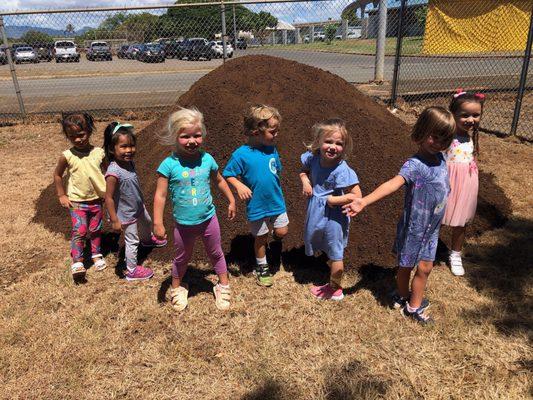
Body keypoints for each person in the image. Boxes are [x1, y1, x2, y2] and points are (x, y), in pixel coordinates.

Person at [343, 107, 456, 325]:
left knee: (425, 267)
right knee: (405, 266)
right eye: (434, 136)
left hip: (432, 229)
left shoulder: (441, 158)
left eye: (445, 138)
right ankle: (404, 296)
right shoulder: (414, 165)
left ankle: (413, 305)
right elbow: (393, 184)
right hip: (414, 228)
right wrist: (364, 200)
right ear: (421, 132)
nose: (439, 142)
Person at [153, 107, 236, 311]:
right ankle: (177, 287)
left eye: (197, 135)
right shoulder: (168, 165)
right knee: (182, 257)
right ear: (175, 137)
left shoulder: (207, 159)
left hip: (209, 219)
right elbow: (160, 195)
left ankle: (223, 285)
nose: (192, 141)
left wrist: (231, 199)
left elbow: (219, 180)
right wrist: (157, 222)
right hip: (183, 225)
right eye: (185, 136)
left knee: (216, 252)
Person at [223, 105, 288, 287]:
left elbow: (276, 172)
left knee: (282, 231)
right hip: (256, 204)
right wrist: (239, 185)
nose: (276, 135)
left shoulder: (272, 149)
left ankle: (275, 240)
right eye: (273, 131)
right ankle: (262, 266)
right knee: (261, 237)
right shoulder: (241, 154)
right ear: (255, 131)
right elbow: (228, 174)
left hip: (276, 200)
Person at [300, 118, 361, 300]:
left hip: (334, 216)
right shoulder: (313, 158)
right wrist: (305, 181)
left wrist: (334, 199)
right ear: (319, 142)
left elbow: (357, 195)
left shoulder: (342, 170)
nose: (333, 147)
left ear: (345, 146)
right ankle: (331, 283)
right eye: (328, 141)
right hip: (316, 211)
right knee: (320, 241)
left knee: (336, 253)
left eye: (339, 143)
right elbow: (303, 171)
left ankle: (335, 290)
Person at [103, 122, 167, 282]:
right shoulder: (113, 172)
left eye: (131, 146)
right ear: (112, 149)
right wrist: (114, 219)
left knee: (147, 222)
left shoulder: (129, 163)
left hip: (137, 206)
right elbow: (108, 197)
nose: (128, 150)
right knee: (132, 241)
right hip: (125, 214)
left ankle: (147, 241)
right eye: (123, 147)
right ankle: (131, 270)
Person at [53, 112, 107, 278]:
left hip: (97, 200)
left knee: (96, 229)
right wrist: (62, 195)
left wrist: (110, 192)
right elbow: (57, 175)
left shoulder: (99, 153)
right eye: (72, 136)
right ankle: (77, 260)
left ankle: (96, 254)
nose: (77, 139)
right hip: (77, 201)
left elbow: (108, 172)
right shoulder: (67, 156)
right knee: (80, 230)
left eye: (81, 135)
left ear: (89, 131)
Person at [442, 90, 485, 276]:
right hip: (447, 183)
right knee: (437, 217)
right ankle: (428, 248)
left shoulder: (470, 136)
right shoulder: (446, 136)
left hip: (466, 184)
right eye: (465, 115)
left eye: (476, 115)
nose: (471, 119)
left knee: (461, 222)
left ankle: (455, 254)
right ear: (453, 114)